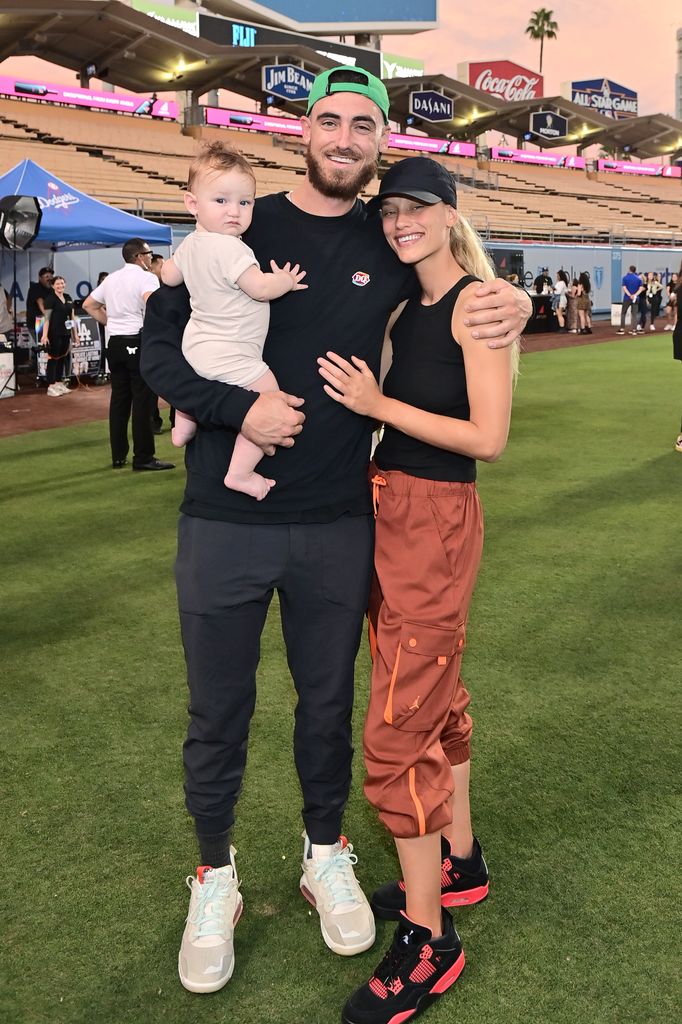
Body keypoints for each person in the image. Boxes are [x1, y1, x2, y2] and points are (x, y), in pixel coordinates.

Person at [140, 65, 531, 997]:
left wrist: (504, 300)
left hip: (341, 519)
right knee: (217, 711)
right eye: (329, 119)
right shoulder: (241, 222)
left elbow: (453, 284)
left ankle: (326, 854)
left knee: (329, 708)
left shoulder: (388, 235)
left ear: (380, 141)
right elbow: (157, 347)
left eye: (363, 123)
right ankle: (215, 875)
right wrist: (237, 411)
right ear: (302, 131)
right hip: (224, 516)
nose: (345, 136)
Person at [317, 156, 515, 1024]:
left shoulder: (477, 301)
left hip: (433, 516)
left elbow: (488, 437)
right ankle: (460, 864)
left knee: (398, 728)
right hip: (392, 510)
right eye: (391, 210)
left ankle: (431, 945)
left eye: (416, 210)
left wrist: (376, 403)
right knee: (436, 697)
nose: (400, 222)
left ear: (448, 215)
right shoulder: (410, 304)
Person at [161, 142, 307, 499]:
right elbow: (258, 287)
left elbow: (168, 277)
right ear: (192, 203)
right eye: (221, 201)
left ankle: (183, 423)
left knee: (202, 377)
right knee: (272, 399)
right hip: (232, 353)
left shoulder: (190, 244)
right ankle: (241, 472)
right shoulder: (232, 248)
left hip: (196, 347)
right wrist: (286, 281)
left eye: (245, 202)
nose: (234, 212)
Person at [83, 238, 175, 471]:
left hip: (115, 343)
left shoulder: (112, 278)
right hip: (137, 340)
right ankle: (143, 457)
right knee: (142, 401)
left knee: (119, 400)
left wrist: (111, 324)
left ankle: (118, 456)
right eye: (148, 253)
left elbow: (89, 305)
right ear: (139, 256)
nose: (150, 258)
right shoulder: (146, 278)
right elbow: (152, 305)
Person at [42, 275, 77, 396]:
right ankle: (51, 385)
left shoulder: (68, 298)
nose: (60, 285)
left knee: (62, 357)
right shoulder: (50, 299)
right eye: (57, 284)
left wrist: (75, 335)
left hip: (66, 333)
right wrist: (44, 335)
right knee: (53, 358)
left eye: (62, 283)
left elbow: (72, 318)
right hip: (54, 333)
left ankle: (58, 382)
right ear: (53, 286)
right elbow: (46, 319)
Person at [26, 266, 54, 351]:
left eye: (51, 276)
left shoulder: (52, 289)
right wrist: (49, 316)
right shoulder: (35, 287)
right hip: (37, 324)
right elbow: (40, 303)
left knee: (48, 347)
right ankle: (35, 362)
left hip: (48, 323)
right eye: (46, 277)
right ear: (40, 278)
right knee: (41, 346)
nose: (49, 279)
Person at [618, 265, 643, 335]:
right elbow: (640, 289)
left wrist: (630, 295)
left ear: (629, 270)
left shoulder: (625, 278)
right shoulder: (639, 279)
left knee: (623, 313)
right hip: (635, 298)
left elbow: (624, 288)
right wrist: (635, 295)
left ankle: (622, 329)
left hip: (627, 298)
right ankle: (634, 330)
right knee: (634, 314)